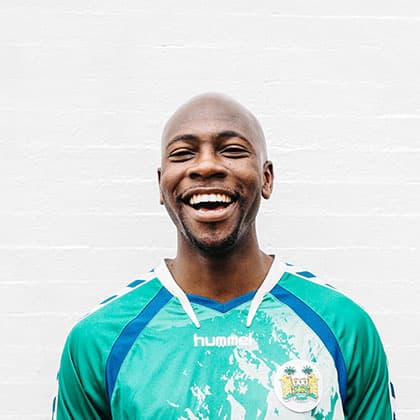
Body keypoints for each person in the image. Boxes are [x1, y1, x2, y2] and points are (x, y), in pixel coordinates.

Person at [53, 93, 396, 419]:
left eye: (232, 150)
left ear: (266, 178)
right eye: (182, 154)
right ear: (161, 185)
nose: (206, 166)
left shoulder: (344, 326)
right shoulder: (98, 340)